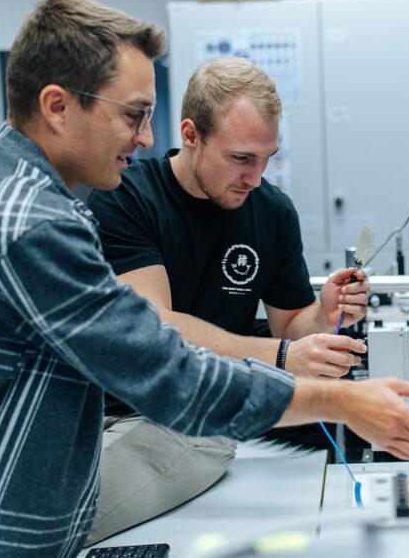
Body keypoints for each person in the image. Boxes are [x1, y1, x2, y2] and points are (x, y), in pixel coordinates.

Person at [0, 0, 409, 557]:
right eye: (132, 114)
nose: (145, 138)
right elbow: (168, 371)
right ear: (57, 106)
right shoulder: (33, 219)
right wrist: (341, 402)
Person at [83, 57, 372, 543]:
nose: (256, 177)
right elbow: (156, 327)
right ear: (191, 135)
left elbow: (290, 327)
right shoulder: (126, 198)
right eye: (241, 158)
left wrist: (323, 313)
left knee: (64, 514)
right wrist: (282, 356)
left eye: (267, 158)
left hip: (192, 412)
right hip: (99, 407)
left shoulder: (273, 213)